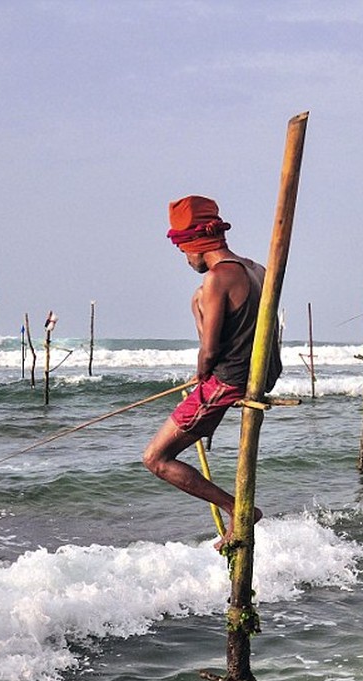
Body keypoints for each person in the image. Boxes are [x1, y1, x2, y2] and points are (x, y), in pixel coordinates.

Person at [143, 195, 281, 547]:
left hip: (230, 379)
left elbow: (210, 349)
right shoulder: (255, 269)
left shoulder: (219, 277)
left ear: (194, 244)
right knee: (195, 298)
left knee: (155, 458)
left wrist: (201, 375)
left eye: (184, 251)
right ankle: (236, 506)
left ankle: (238, 510)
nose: (186, 259)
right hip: (261, 372)